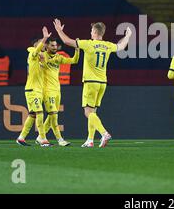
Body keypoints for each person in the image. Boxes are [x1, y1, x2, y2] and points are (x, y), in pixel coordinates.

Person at [53, 19, 132, 148]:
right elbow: (121, 46)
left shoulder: (88, 44)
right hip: (102, 83)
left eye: (91, 30)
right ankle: (90, 140)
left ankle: (104, 133)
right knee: (93, 112)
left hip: (90, 82)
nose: (90, 32)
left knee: (88, 112)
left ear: (95, 32)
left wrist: (59, 30)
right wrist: (128, 36)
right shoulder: (107, 45)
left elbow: (67, 41)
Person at [38, 38, 80, 147]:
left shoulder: (58, 58)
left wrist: (77, 50)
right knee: (54, 115)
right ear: (47, 46)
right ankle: (60, 139)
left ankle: (40, 137)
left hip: (57, 89)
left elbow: (74, 61)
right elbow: (35, 57)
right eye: (52, 45)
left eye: (55, 45)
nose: (55, 47)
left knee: (52, 115)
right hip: (47, 90)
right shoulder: (42, 56)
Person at [16, 27, 52, 147]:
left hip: (38, 90)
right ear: (36, 44)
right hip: (32, 89)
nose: (44, 46)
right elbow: (36, 51)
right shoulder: (32, 53)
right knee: (40, 113)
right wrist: (45, 37)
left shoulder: (41, 58)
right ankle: (42, 138)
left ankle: (21, 137)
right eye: (41, 43)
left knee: (33, 114)